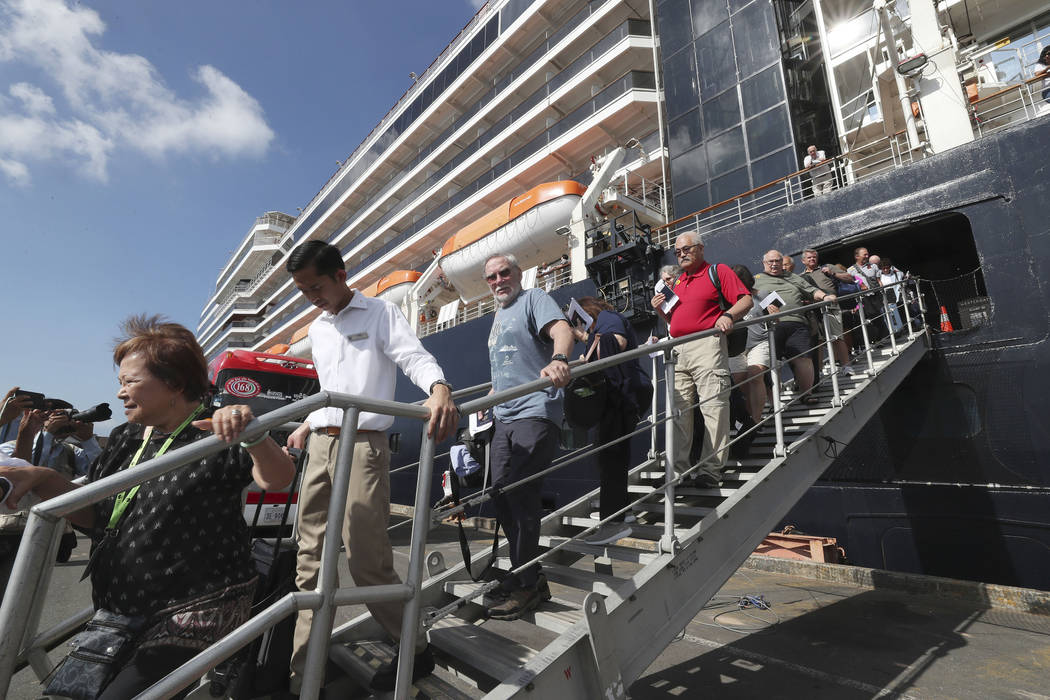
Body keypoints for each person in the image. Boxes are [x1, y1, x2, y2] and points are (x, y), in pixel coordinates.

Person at [0, 315, 295, 699]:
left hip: (196, 609)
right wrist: (40, 479)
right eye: (120, 382)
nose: (121, 393)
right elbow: (97, 515)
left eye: (130, 382)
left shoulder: (216, 431)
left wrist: (253, 434)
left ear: (173, 382)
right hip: (124, 607)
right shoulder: (126, 436)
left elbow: (278, 479)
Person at [283, 240, 457, 692]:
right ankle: (305, 678)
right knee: (309, 565)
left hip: (363, 444)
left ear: (340, 275)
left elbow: (411, 357)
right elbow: (331, 387)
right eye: (302, 290)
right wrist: (308, 423)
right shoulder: (318, 328)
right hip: (321, 443)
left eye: (315, 286)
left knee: (366, 561)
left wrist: (438, 387)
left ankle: (414, 647)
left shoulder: (380, 312)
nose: (311, 298)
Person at [483, 252, 573, 619]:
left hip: (535, 410)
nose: (499, 280)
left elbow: (562, 329)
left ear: (517, 274)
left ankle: (526, 584)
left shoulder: (532, 299)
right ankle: (527, 573)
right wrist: (490, 397)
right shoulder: (497, 315)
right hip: (503, 415)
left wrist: (560, 358)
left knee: (520, 489)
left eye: (505, 273)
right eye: (491, 277)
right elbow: (507, 367)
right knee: (500, 492)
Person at [650, 232, 752, 487]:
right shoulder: (678, 282)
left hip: (707, 344)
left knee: (713, 407)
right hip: (678, 349)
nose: (681, 253)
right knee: (679, 412)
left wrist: (728, 315)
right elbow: (674, 322)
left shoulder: (717, 271)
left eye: (686, 249)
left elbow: (746, 300)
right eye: (677, 251)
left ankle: (710, 471)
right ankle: (677, 472)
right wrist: (659, 310)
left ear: (700, 249)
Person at [571, 297, 649, 545]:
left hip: (621, 396)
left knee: (611, 456)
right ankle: (622, 512)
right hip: (621, 396)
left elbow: (617, 343)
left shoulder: (607, 319)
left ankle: (612, 523)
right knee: (612, 455)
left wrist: (583, 338)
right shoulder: (600, 328)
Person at [754, 250, 836, 403]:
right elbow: (746, 298)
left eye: (777, 261)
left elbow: (811, 291)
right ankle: (774, 404)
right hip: (770, 326)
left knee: (804, 358)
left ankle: (806, 394)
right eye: (770, 261)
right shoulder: (756, 280)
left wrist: (825, 296)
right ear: (764, 263)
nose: (774, 264)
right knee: (772, 365)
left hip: (796, 323)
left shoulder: (793, 277)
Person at [726, 265, 769, 456]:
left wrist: (774, 314)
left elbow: (777, 316)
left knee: (755, 374)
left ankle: (755, 422)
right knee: (740, 382)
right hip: (736, 346)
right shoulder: (726, 299)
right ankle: (750, 418)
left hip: (758, 342)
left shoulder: (763, 293)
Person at [801, 248, 853, 375]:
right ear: (803, 261)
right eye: (809, 257)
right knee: (818, 341)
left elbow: (849, 278)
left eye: (814, 257)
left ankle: (846, 366)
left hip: (831, 307)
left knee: (836, 336)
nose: (812, 259)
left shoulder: (827, 268)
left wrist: (833, 274)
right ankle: (818, 371)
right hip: (813, 310)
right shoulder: (801, 277)